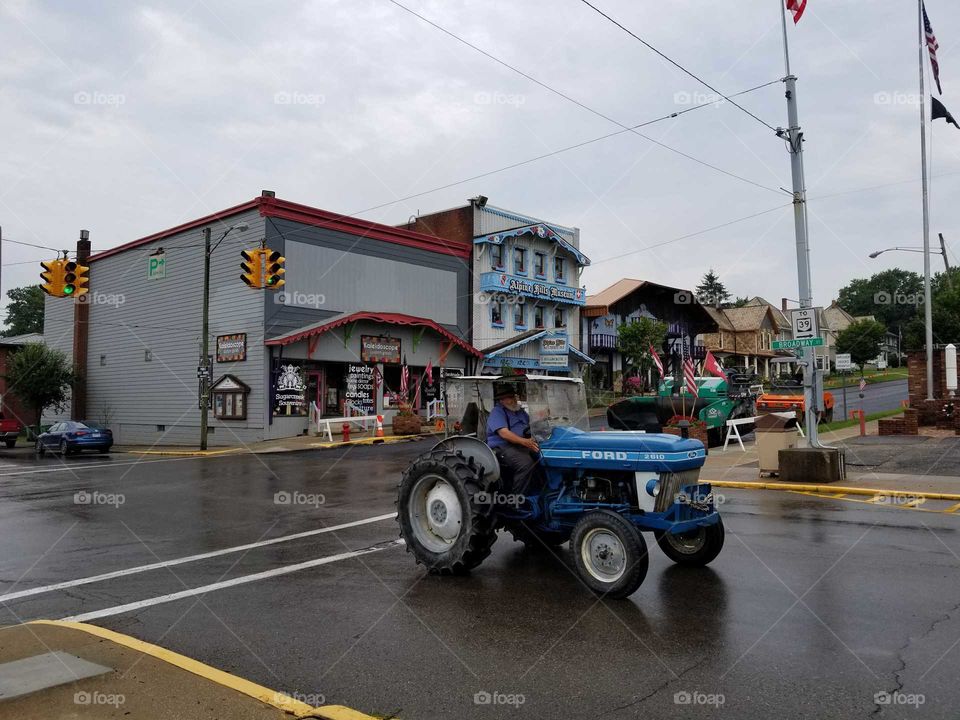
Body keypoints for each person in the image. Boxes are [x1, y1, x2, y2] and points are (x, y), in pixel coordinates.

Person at [486, 385, 541, 495]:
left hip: (521, 445)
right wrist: (525, 442)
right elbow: (504, 433)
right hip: (502, 447)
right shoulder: (497, 412)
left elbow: (531, 424)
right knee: (526, 464)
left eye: (514, 396)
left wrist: (543, 416)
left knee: (542, 457)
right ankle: (516, 501)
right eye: (510, 397)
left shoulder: (519, 411)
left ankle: (539, 493)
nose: (514, 400)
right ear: (502, 400)